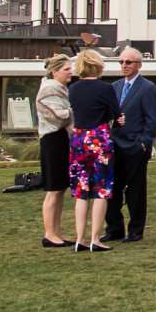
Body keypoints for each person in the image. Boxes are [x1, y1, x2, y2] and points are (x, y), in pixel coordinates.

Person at [65, 50, 120, 253]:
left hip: (79, 138)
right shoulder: (105, 88)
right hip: (99, 138)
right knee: (101, 189)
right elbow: (116, 113)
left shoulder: (74, 88)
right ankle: (95, 238)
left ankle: (80, 238)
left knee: (81, 191)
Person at [104, 46, 156, 245]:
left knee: (136, 191)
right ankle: (114, 228)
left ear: (139, 64)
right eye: (121, 62)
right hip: (114, 146)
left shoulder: (147, 87)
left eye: (129, 62)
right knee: (113, 190)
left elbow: (152, 119)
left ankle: (135, 230)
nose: (124, 65)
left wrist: (143, 143)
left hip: (135, 147)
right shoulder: (115, 87)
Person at [35, 54, 74, 248]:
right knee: (53, 189)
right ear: (55, 71)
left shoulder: (59, 89)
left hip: (60, 140)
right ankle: (49, 233)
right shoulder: (49, 89)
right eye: (67, 69)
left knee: (60, 189)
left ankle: (56, 231)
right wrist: (77, 109)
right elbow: (58, 117)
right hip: (53, 141)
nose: (71, 72)